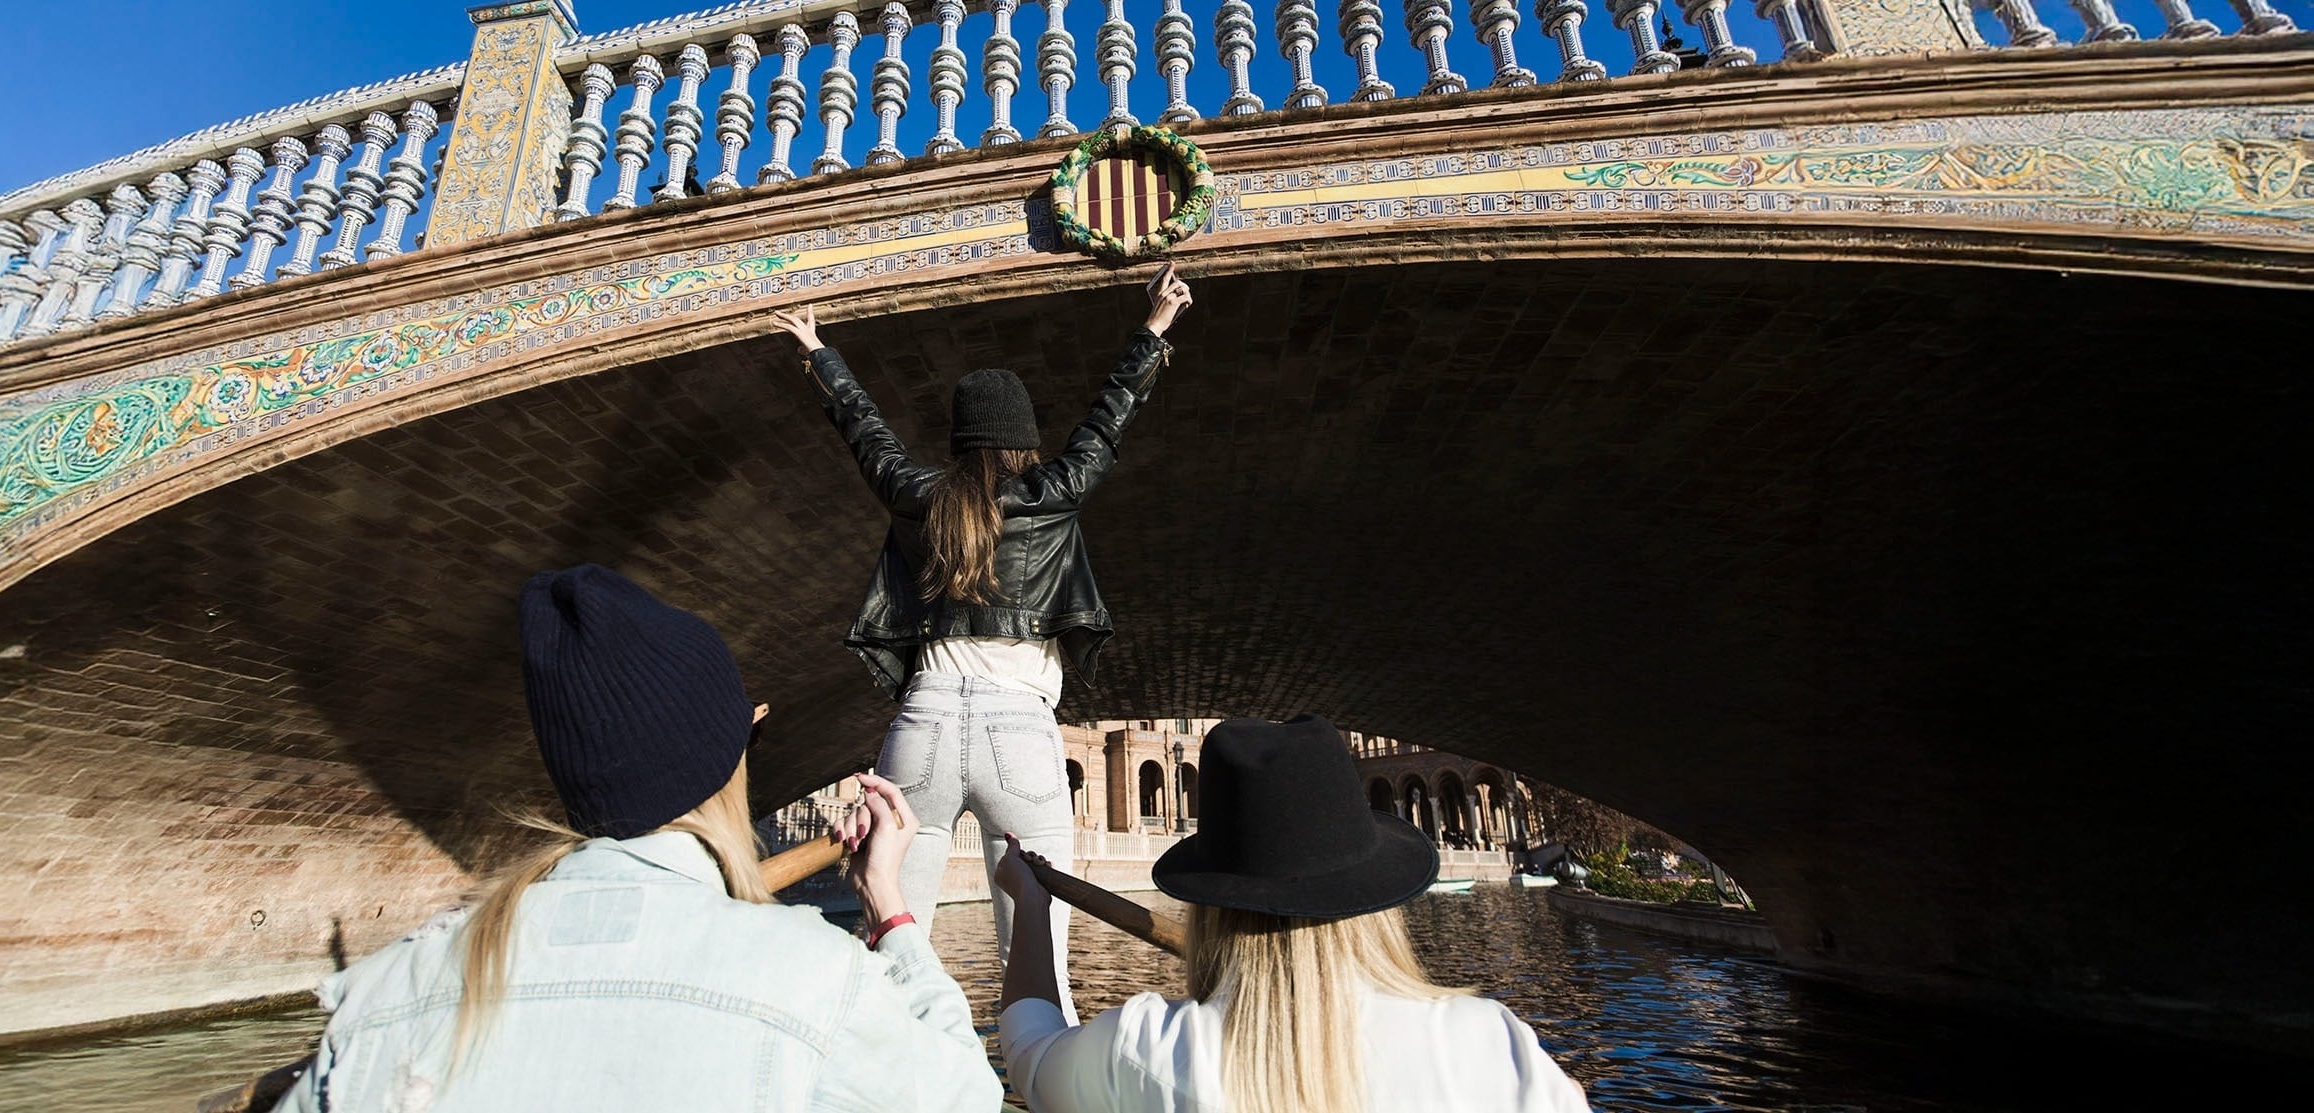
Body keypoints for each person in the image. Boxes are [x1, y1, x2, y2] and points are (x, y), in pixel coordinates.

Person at [272, 565, 998, 1113]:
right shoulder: (818, 979)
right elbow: (968, 1097)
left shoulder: (392, 987)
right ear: (730, 759)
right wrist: (889, 908)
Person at [769, 264, 1194, 1017]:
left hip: (921, 731)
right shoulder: (1052, 492)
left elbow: (865, 433)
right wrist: (1154, 328)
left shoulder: (919, 496)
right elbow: (1107, 420)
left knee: (896, 946)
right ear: (1022, 441)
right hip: (1020, 733)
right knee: (1035, 966)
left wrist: (817, 354)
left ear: (962, 442)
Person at [993, 716, 1593, 1113]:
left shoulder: (1145, 1048)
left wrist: (1034, 905)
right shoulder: (1485, 1042)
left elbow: (1028, 1050)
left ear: (1211, 896)